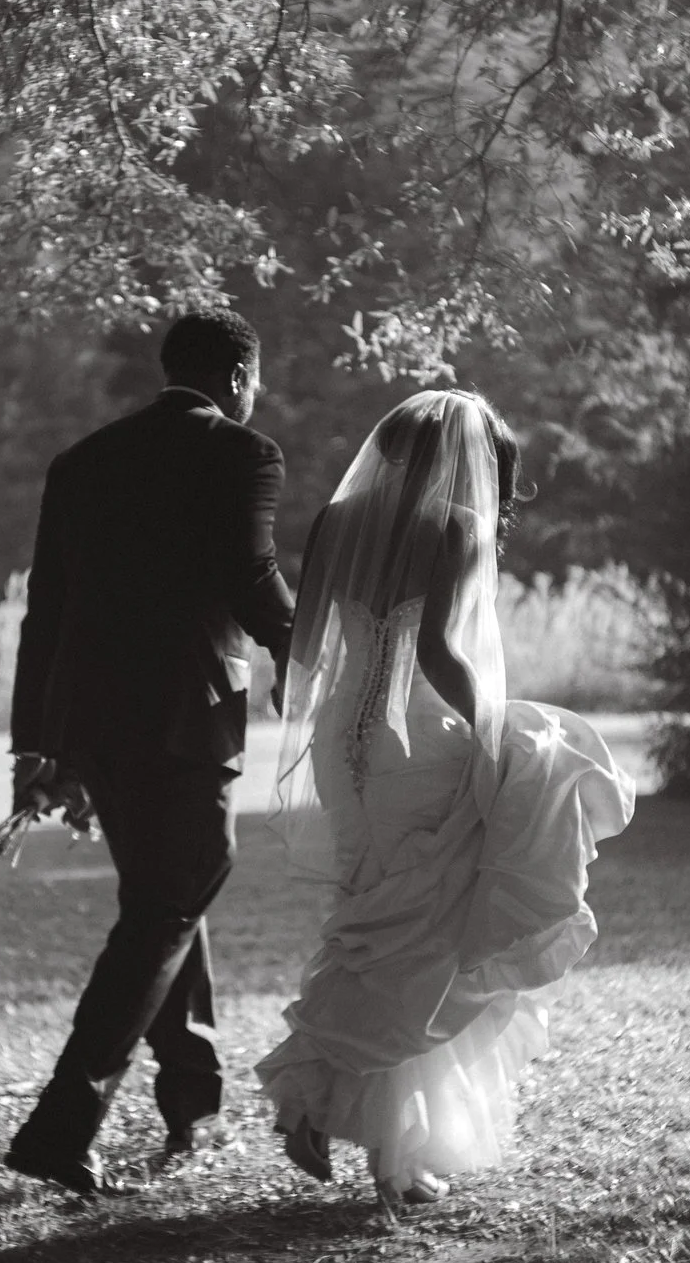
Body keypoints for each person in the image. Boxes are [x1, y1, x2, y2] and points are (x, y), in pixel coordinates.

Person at [255, 389, 634, 1212]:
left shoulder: (335, 521)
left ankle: (331, 1107)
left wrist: (333, 708)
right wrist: (489, 725)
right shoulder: (454, 530)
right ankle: (380, 1142)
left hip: (340, 746)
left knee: (367, 918)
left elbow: (305, 646)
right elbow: (437, 651)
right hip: (416, 744)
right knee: (423, 936)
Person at [3, 308, 297, 1199]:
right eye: (261, 378)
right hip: (188, 717)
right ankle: (67, 1118)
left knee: (163, 896)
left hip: (96, 726)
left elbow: (43, 613)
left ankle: (191, 1097)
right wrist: (306, 640)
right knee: (175, 899)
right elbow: (250, 579)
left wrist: (36, 744)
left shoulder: (82, 461)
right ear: (240, 376)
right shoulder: (244, 454)